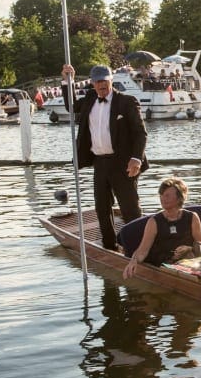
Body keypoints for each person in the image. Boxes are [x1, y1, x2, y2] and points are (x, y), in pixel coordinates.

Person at [62, 63, 148, 251]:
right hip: (100, 162)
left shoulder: (126, 101)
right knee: (102, 208)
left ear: (111, 80)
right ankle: (110, 246)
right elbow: (71, 106)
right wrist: (68, 80)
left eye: (105, 80)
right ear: (92, 83)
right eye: (98, 81)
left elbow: (140, 133)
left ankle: (140, 246)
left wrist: (136, 158)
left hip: (123, 162)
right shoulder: (90, 100)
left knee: (130, 208)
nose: (102, 85)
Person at [123, 177, 201, 279]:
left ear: (180, 198)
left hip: (189, 262)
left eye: (167, 195)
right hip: (165, 266)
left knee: (192, 260)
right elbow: (142, 251)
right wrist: (133, 261)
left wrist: (190, 248)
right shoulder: (153, 222)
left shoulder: (192, 217)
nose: (162, 198)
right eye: (161, 195)